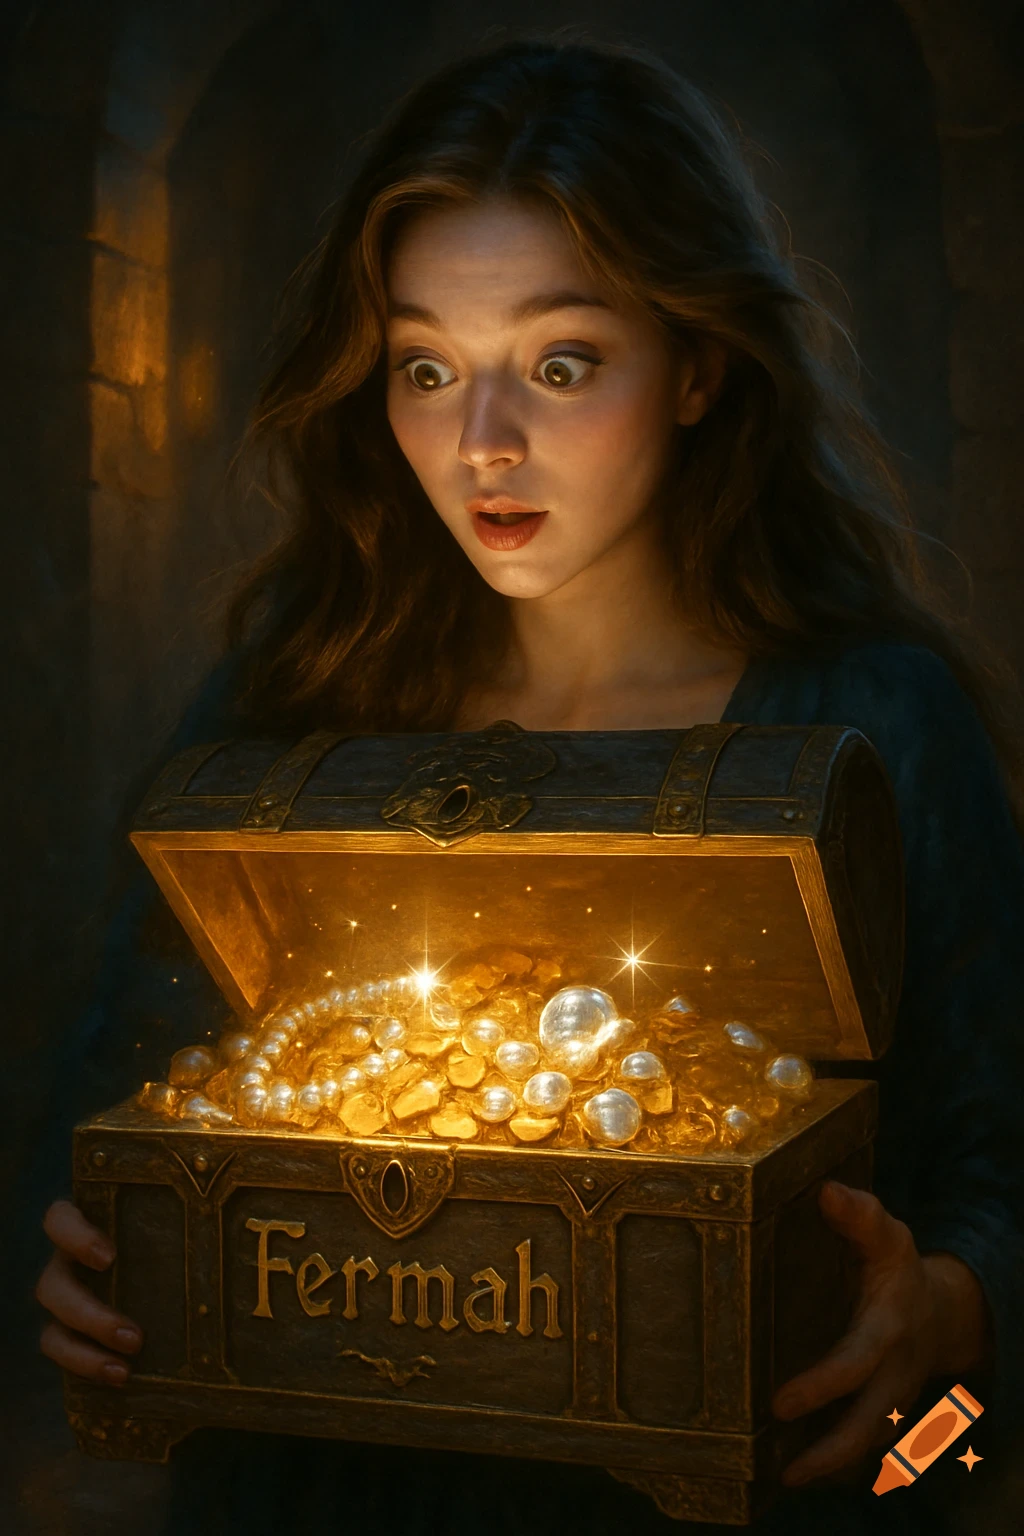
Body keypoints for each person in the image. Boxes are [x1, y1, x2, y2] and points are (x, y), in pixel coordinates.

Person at [34, 37, 1024, 1535]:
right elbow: (102, 1109)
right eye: (427, 367)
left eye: (562, 363)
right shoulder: (290, 706)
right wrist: (74, 1250)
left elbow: (1000, 1207)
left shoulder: (871, 719)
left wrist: (951, 1337)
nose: (482, 442)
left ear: (696, 365)